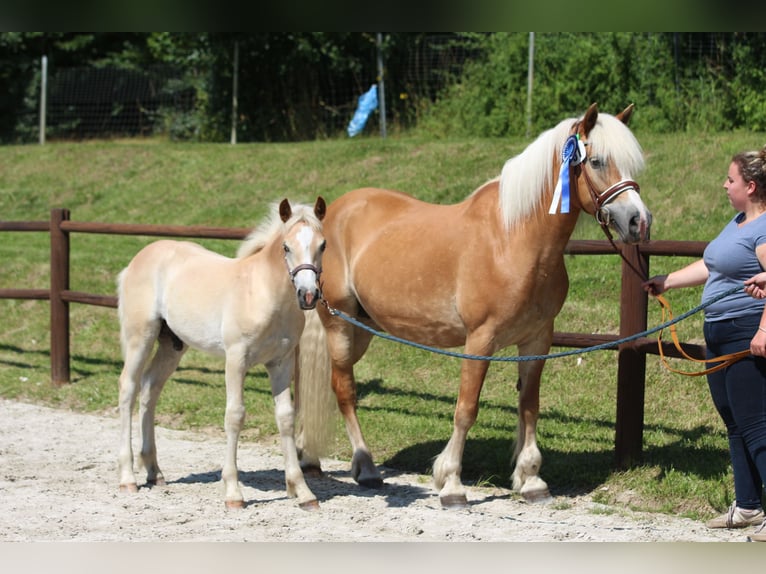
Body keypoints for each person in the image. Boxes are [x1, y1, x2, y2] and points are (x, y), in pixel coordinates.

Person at [642, 145, 766, 542]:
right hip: (720, 330)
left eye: (730, 180)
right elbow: (712, 265)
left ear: (750, 186)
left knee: (757, 425)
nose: (723, 185)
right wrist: (668, 281)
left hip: (745, 330)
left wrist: (764, 331)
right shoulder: (738, 222)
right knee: (733, 421)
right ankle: (748, 505)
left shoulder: (763, 229)